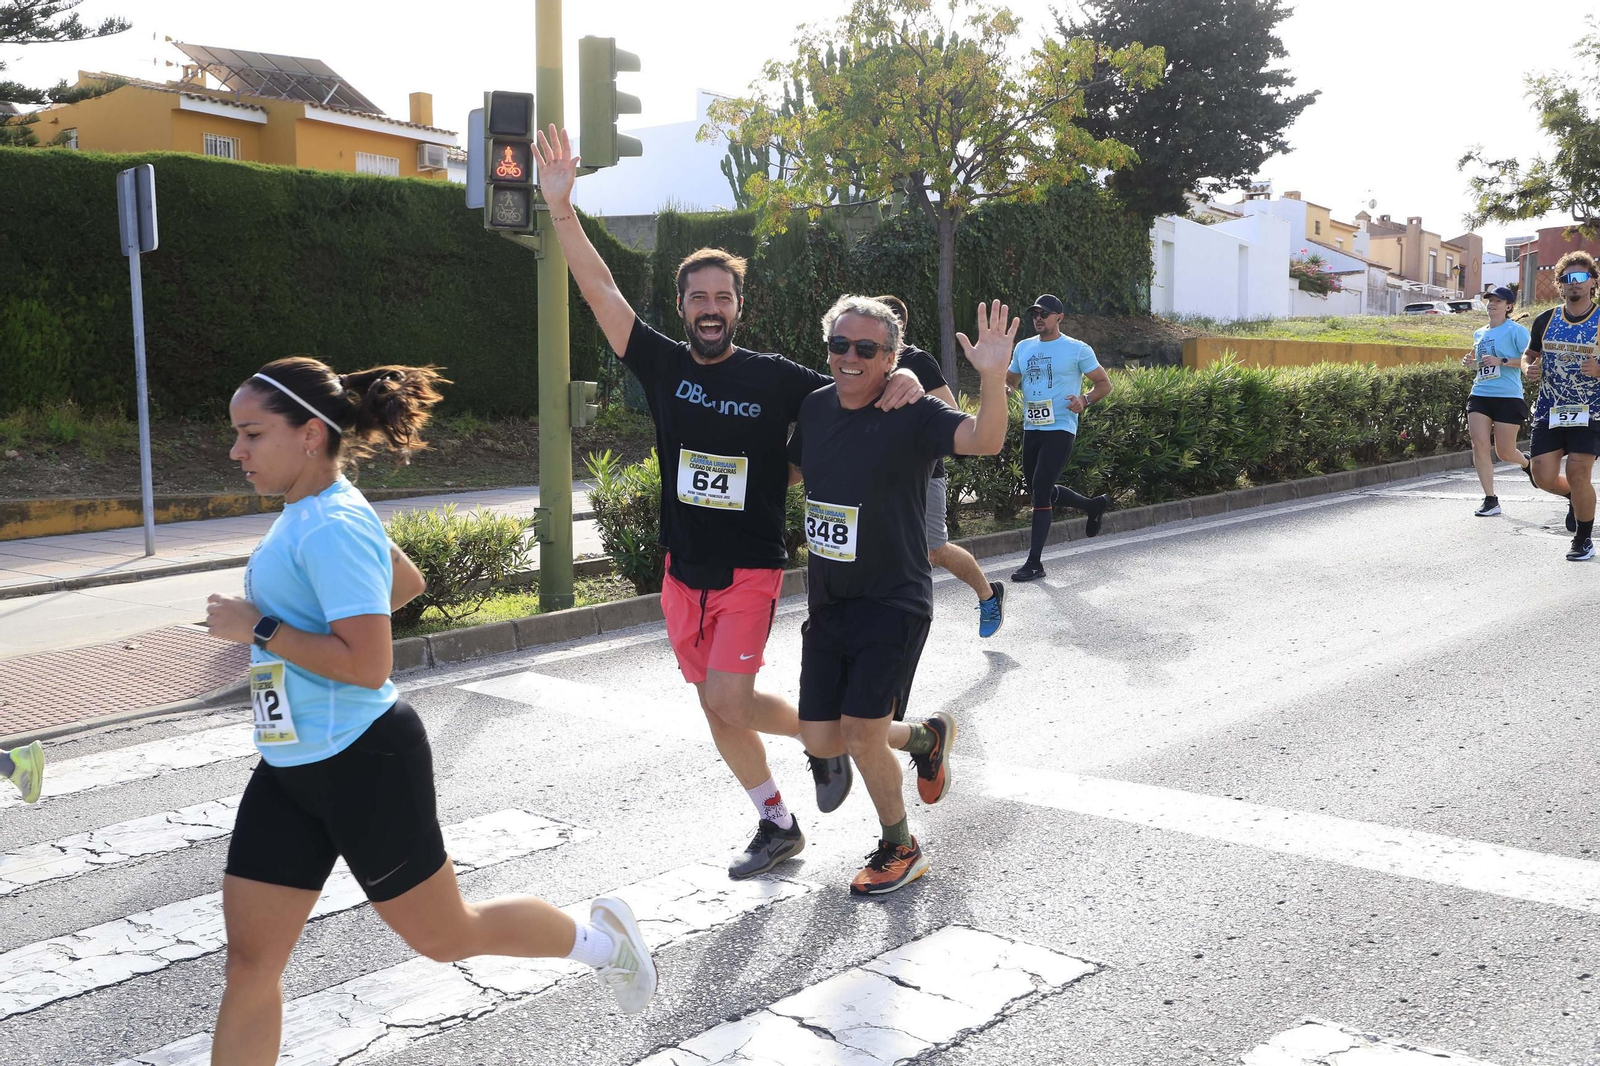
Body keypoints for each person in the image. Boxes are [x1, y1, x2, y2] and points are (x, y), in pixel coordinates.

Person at [203, 357, 655, 1063]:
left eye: (252, 434)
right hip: (289, 765)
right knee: (249, 967)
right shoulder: (317, 511)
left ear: (312, 434)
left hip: (361, 761)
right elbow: (406, 580)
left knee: (447, 936)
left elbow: (367, 665)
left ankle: (604, 945)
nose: (236, 451)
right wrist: (309, 632)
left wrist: (258, 629)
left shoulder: (330, 526)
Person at [533, 126, 926, 879]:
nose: (710, 307)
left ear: (738, 307)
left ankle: (833, 743)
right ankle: (778, 822)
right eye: (698, 297)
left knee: (732, 700)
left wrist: (904, 380)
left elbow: (851, 395)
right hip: (683, 567)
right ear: (681, 306)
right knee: (716, 709)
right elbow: (600, 289)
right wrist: (561, 209)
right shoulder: (658, 362)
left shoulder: (777, 378)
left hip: (750, 565)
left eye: (723, 296)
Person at [787, 296, 1015, 895]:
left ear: (891, 357)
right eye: (841, 346)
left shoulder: (911, 410)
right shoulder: (813, 408)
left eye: (868, 349)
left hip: (893, 599)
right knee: (823, 736)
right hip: (828, 600)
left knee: (861, 732)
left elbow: (985, 439)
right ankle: (924, 738)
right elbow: (789, 471)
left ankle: (901, 846)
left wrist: (992, 376)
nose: (851, 358)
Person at [876, 295, 1005, 637]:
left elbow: (951, 414)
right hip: (878, 474)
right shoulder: (867, 359)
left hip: (924, 475)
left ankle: (988, 594)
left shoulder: (919, 360)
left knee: (934, 549)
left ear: (898, 326)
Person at [1005, 294, 1113, 583]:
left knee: (1040, 488)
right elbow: (1010, 380)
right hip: (1032, 427)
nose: (1038, 318)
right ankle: (1093, 506)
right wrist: (1006, 389)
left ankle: (1034, 562)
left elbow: (1104, 384)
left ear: (1059, 317)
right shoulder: (1024, 347)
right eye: (1034, 314)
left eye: (1045, 313)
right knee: (1040, 489)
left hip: (1061, 426)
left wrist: (1084, 400)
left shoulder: (1077, 349)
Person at [1524, 251, 1600, 561]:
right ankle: (1572, 496)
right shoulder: (1546, 319)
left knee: (1579, 471)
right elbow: (1529, 355)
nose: (1574, 284)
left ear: (1593, 282)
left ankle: (1582, 538)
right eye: (1567, 279)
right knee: (1542, 476)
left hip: (1591, 411)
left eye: (1581, 277)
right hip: (1550, 409)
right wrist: (1527, 368)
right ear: (1560, 285)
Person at [1459, 284, 1533, 516]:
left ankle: (1527, 464)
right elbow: (1481, 361)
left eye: (1498, 301)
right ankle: (1490, 499)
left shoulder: (1516, 331)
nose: (1492, 303)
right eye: (1490, 300)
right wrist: (1471, 363)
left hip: (1508, 396)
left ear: (1509, 306)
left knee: (1505, 452)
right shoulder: (1479, 333)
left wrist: (1501, 360)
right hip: (1480, 393)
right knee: (1479, 444)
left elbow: (1527, 359)